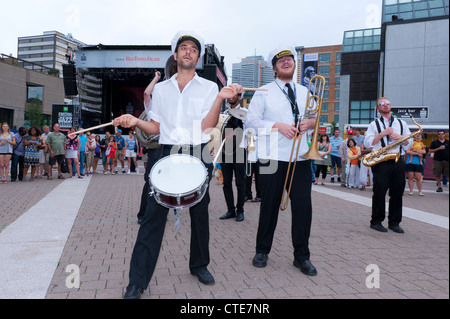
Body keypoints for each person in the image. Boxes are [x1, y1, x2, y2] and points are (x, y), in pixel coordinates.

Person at [114, 31, 243, 299]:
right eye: (183, 48)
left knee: (200, 213)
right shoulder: (160, 90)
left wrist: (221, 99)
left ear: (198, 58)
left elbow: (208, 126)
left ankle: (199, 265)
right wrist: (136, 121)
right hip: (165, 153)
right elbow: (157, 127)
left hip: (198, 153)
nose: (188, 52)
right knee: (152, 216)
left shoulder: (209, 88)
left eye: (193, 50)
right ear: (176, 55)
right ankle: (137, 282)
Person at [246, 46, 317, 276]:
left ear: (294, 64)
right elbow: (251, 123)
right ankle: (262, 251)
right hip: (271, 158)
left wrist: (310, 124)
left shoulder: (306, 91)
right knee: (269, 207)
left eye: (290, 59)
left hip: (300, 157)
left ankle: (301, 256)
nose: (286, 62)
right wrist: (278, 126)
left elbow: (314, 118)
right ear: (274, 68)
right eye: (281, 61)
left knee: (303, 209)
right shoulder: (263, 92)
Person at [364, 97, 412, 233]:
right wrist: (382, 134)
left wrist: (400, 138)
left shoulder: (401, 123)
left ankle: (394, 222)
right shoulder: (374, 124)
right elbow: (368, 143)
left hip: (398, 160)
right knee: (379, 192)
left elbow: (410, 143)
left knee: (397, 192)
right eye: (382, 104)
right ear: (378, 109)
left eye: (387, 103)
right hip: (381, 161)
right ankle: (376, 221)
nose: (385, 106)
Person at [219, 92, 246, 222]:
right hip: (226, 151)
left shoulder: (245, 112)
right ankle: (231, 210)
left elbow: (250, 130)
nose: (231, 97)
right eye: (229, 95)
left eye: (234, 95)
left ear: (239, 97)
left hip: (240, 150)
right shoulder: (224, 113)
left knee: (240, 182)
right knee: (226, 183)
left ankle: (240, 210)